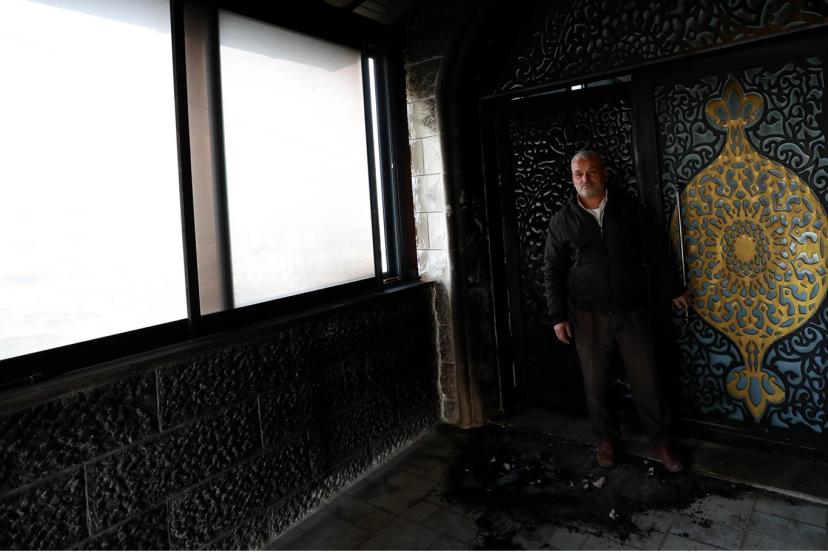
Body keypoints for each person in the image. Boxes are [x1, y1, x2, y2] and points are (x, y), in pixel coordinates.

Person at [543, 150, 692, 472]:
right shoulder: (562, 220)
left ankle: (662, 441)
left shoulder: (629, 210)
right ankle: (605, 439)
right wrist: (558, 317)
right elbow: (552, 270)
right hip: (587, 314)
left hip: (631, 310)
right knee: (595, 381)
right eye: (579, 174)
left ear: (604, 174)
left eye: (591, 171)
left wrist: (674, 288)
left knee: (647, 378)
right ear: (572, 179)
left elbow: (656, 252)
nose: (585, 178)